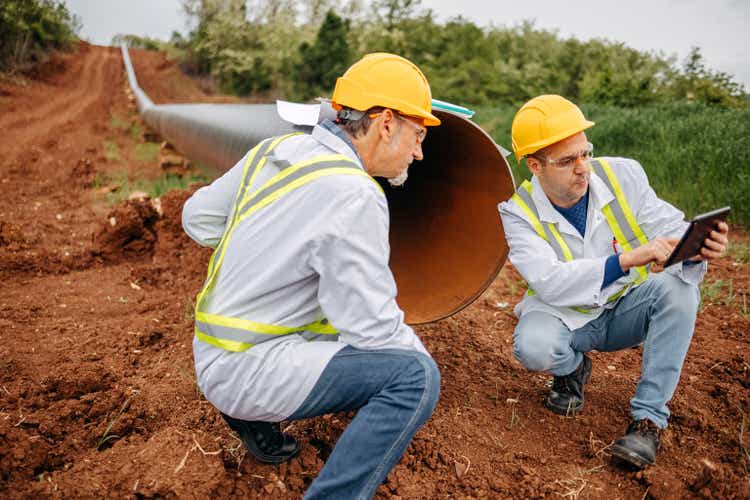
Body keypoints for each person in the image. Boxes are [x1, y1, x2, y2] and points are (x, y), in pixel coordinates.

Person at [181, 53, 441, 499]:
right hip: (250, 371)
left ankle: (249, 415)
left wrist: (268, 250)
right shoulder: (356, 193)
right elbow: (372, 329)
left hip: (212, 354)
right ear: (385, 123)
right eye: (417, 134)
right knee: (415, 377)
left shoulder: (272, 150)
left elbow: (197, 218)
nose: (419, 151)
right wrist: (419, 355)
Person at [497, 95, 729, 469]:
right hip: (564, 316)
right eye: (567, 160)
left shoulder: (622, 176)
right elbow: (551, 282)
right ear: (535, 165)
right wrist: (631, 257)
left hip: (626, 306)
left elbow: (668, 226)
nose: (582, 168)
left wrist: (696, 243)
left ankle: (649, 418)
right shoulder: (517, 213)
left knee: (679, 289)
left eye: (584, 153)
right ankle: (571, 369)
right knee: (534, 347)